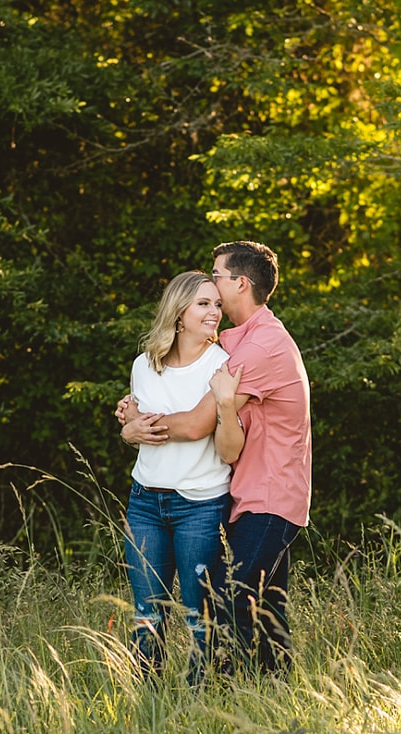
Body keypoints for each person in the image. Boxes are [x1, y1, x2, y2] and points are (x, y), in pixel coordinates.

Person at [121, 241, 312, 678]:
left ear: (239, 283)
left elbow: (194, 425)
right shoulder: (237, 338)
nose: (213, 296)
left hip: (268, 495)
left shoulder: (256, 349)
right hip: (250, 490)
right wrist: (131, 411)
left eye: (217, 279)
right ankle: (275, 692)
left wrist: (137, 427)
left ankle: (219, 693)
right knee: (267, 606)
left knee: (231, 599)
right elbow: (175, 382)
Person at [116, 270, 232, 685]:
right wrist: (130, 426)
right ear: (178, 312)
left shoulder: (222, 365)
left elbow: (196, 426)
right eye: (204, 303)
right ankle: (148, 702)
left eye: (217, 304)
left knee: (199, 613)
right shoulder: (144, 365)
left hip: (200, 505)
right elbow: (138, 425)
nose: (214, 312)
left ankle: (201, 700)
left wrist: (139, 424)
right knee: (147, 614)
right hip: (145, 501)